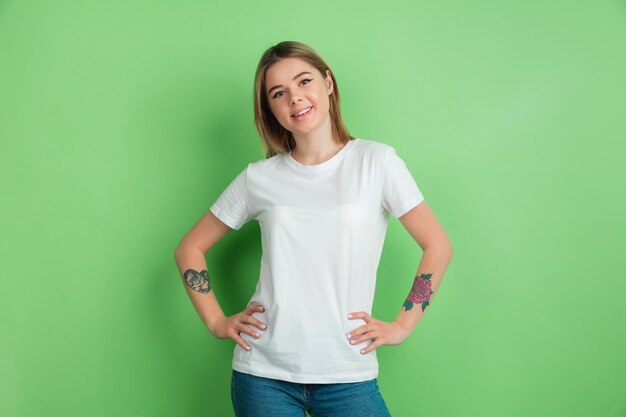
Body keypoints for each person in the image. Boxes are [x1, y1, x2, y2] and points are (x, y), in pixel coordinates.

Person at [174, 41, 453, 417]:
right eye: (279, 93)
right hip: (263, 376)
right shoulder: (259, 178)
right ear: (270, 108)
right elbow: (189, 249)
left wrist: (403, 325)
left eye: (304, 81)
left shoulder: (376, 161)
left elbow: (437, 244)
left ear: (328, 82)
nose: (296, 98)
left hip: (347, 371)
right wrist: (216, 320)